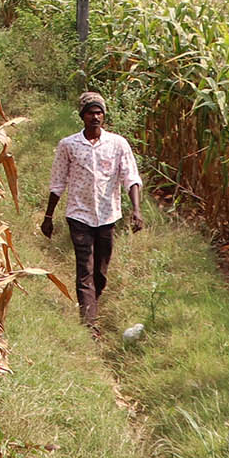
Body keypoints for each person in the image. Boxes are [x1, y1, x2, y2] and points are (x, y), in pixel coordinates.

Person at [40, 91, 143, 333]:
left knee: (100, 271)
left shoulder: (118, 144)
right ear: (82, 116)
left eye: (99, 113)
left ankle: (92, 304)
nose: (95, 117)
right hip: (79, 214)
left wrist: (136, 210)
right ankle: (89, 324)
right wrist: (48, 217)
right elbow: (58, 182)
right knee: (84, 268)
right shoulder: (69, 145)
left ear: (104, 116)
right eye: (90, 113)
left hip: (108, 215)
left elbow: (131, 177)